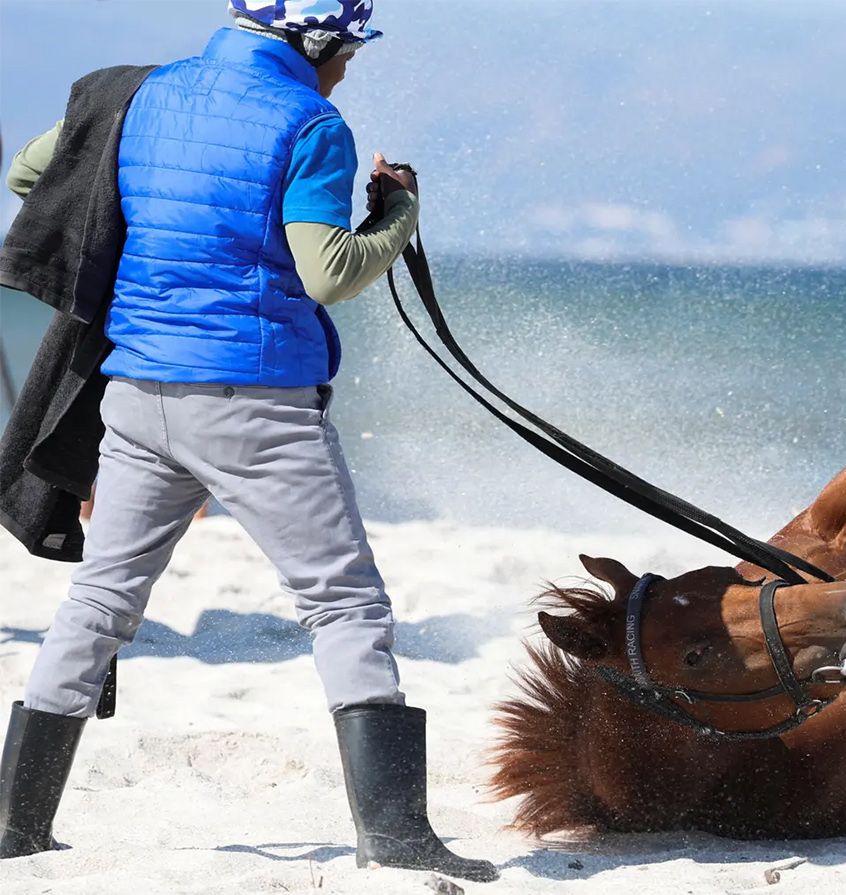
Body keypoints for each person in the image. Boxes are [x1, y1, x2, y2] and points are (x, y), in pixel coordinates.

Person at [0, 1, 495, 882]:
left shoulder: (138, 94)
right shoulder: (310, 123)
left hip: (136, 392)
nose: (344, 72)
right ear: (314, 41)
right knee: (345, 603)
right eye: (345, 54)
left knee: (100, 599)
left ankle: (16, 824)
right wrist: (398, 214)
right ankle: (394, 836)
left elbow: (30, 172)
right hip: (254, 400)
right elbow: (330, 272)